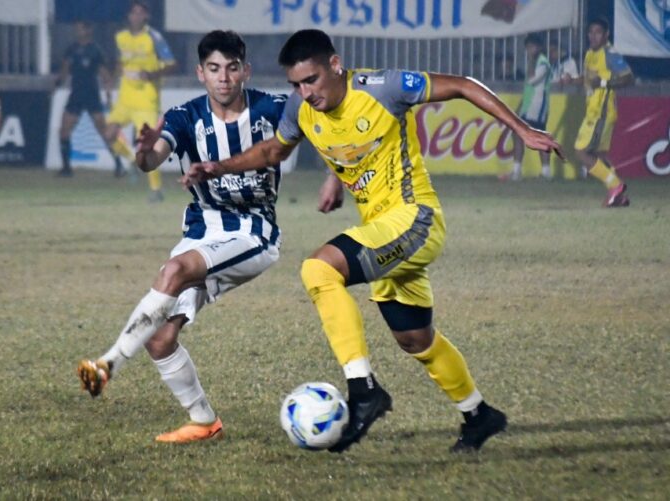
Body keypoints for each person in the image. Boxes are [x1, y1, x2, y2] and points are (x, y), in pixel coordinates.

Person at [183, 29, 561, 453]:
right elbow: (274, 151)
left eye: (311, 80)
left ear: (335, 65)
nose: (305, 92)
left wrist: (523, 130)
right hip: (384, 233)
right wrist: (219, 167)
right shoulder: (303, 110)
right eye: (296, 84)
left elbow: (462, 85)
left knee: (319, 269)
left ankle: (363, 391)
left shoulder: (385, 88)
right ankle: (479, 414)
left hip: (414, 219)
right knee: (415, 339)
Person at [77, 30, 289, 443]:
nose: (223, 78)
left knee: (174, 269)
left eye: (231, 68)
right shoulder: (185, 116)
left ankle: (109, 364)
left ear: (244, 70)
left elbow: (308, 135)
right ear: (200, 73)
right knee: (159, 338)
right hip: (202, 229)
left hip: (252, 231)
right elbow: (152, 158)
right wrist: (144, 151)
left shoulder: (272, 108)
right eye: (213, 69)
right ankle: (203, 421)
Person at [105, 0, 175, 198]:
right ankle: (129, 160)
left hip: (146, 98)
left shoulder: (154, 38)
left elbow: (172, 64)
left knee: (148, 145)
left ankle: (156, 189)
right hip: (126, 98)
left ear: (146, 16)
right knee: (109, 134)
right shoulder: (121, 37)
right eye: (133, 13)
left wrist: (152, 75)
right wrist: (111, 80)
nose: (136, 16)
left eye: (140, 13)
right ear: (128, 16)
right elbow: (121, 62)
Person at [563, 18, 634, 207]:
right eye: (590, 32)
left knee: (581, 152)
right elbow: (589, 79)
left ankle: (615, 186)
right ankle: (619, 195)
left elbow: (628, 78)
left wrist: (603, 84)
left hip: (600, 112)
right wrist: (573, 80)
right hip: (595, 110)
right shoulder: (589, 54)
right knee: (600, 155)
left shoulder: (610, 54)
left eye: (598, 32)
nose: (593, 36)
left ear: (606, 34)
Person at [54, 21, 122, 178]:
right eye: (76, 28)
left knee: (103, 131)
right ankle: (66, 168)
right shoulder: (71, 49)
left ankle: (118, 164)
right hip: (75, 95)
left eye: (80, 28)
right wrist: (57, 84)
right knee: (64, 131)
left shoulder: (95, 50)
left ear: (88, 29)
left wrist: (109, 92)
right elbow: (64, 71)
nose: (77, 31)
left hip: (91, 95)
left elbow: (104, 74)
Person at [505, 33, 552, 181]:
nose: (529, 50)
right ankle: (517, 170)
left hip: (537, 107)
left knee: (538, 137)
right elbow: (528, 89)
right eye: (527, 48)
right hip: (529, 106)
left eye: (531, 47)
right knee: (518, 134)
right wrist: (520, 107)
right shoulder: (536, 62)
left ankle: (545, 172)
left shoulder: (543, 64)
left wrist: (531, 61)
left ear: (539, 47)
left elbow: (532, 81)